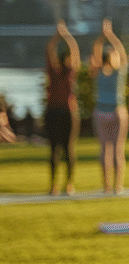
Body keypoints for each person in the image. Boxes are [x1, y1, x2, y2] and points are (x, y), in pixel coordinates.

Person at [89, 20, 129, 194]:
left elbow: (94, 53)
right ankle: (117, 185)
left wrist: (101, 38)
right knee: (118, 150)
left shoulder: (97, 74)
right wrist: (111, 36)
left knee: (104, 149)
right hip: (117, 110)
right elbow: (123, 53)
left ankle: (106, 186)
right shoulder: (118, 74)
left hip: (101, 111)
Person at [43, 24, 80, 196]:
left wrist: (67, 36)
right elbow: (49, 49)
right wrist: (58, 36)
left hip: (67, 113)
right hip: (53, 112)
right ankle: (53, 185)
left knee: (68, 149)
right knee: (54, 150)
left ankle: (69, 183)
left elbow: (75, 52)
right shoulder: (53, 71)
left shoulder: (70, 73)